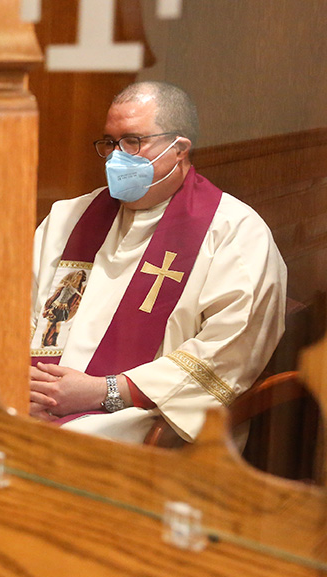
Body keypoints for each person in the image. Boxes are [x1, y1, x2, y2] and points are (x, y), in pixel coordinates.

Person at [29, 81, 287, 444]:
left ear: (179, 148)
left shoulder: (233, 232)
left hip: (149, 416)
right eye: (110, 143)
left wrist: (104, 391)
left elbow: (229, 351)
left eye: (133, 142)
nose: (117, 157)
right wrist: (27, 386)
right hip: (36, 401)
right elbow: (15, 309)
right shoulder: (69, 218)